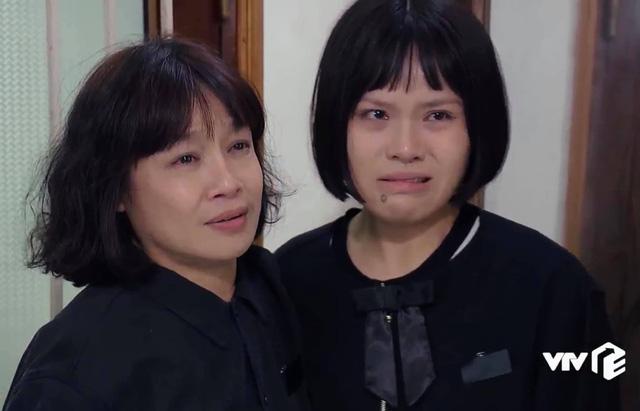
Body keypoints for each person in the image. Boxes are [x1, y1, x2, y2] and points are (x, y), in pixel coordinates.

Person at [275, 1, 620, 410]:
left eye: (438, 115)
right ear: (335, 124)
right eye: (376, 113)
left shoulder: (553, 287)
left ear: (477, 126)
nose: (406, 148)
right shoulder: (288, 280)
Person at [3, 38, 306, 411]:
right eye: (185, 159)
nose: (228, 183)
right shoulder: (79, 367)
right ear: (115, 188)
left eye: (238, 146)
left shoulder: (265, 283)